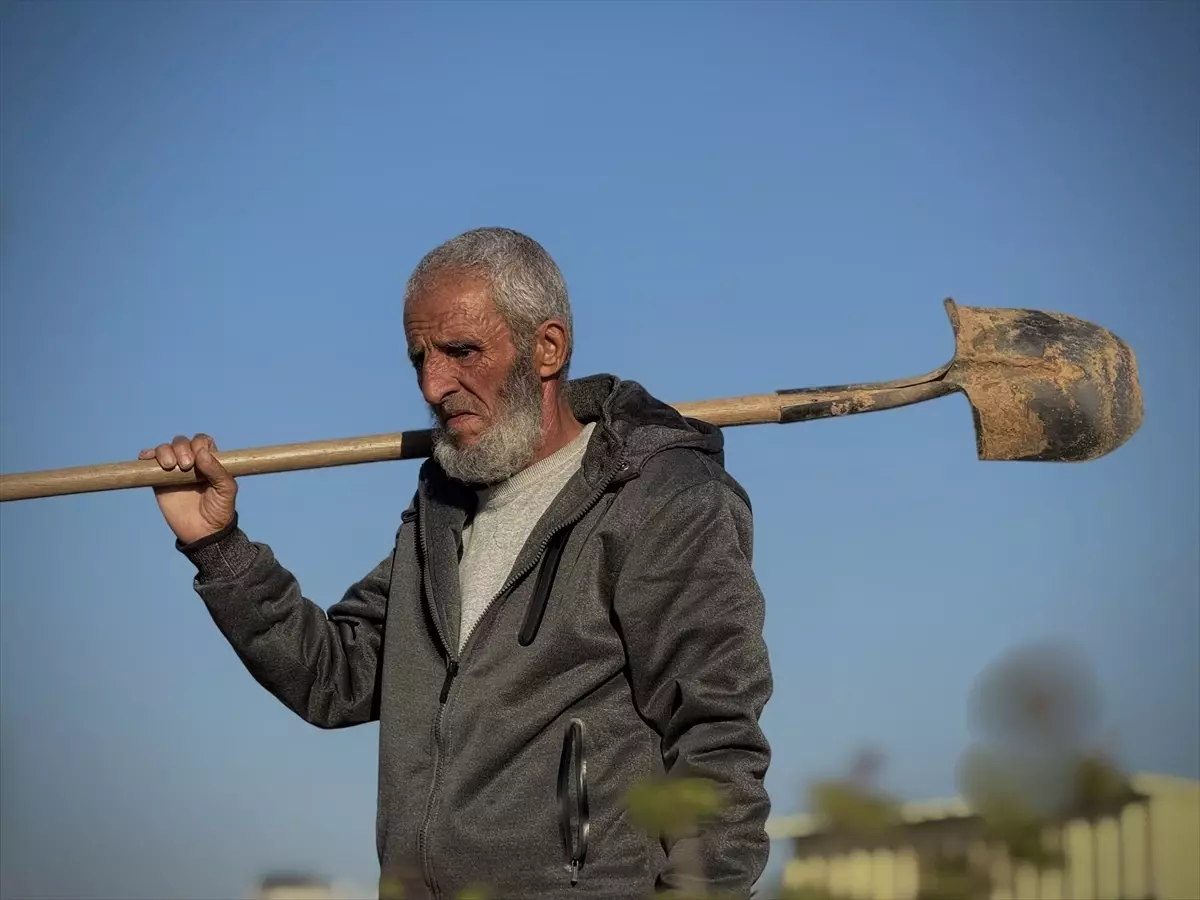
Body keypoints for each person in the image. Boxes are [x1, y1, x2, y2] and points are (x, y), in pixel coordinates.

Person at [141, 227, 774, 899]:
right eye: (419, 358)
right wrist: (217, 546)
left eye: (461, 351)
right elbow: (334, 677)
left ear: (548, 347)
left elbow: (719, 742)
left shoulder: (661, 501)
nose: (434, 384)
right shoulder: (441, 513)